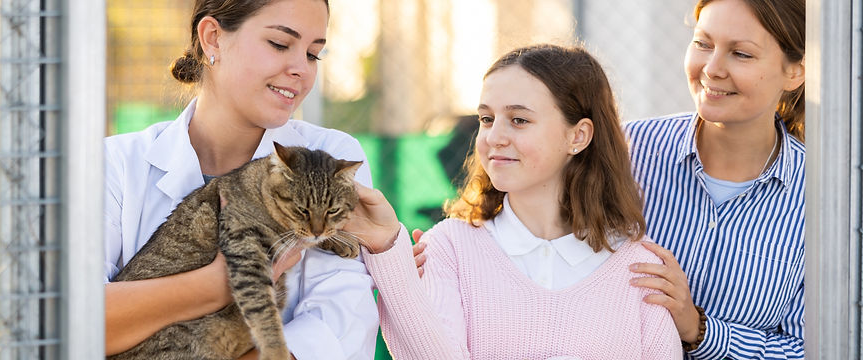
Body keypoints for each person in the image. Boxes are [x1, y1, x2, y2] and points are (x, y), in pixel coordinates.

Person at [346, 44, 683, 359]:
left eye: (519, 120)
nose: (494, 137)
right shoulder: (449, 248)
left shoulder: (641, 268)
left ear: (577, 136)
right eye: (486, 119)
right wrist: (389, 258)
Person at [102, 0, 379, 358]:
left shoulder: (329, 156)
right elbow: (71, 324)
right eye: (280, 44)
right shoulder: (115, 163)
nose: (301, 70)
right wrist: (216, 285)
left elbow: (339, 325)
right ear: (213, 38)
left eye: (313, 54)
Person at [623, 0, 806, 358]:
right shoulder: (628, 151)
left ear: (795, 71)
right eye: (703, 44)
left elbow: (809, 349)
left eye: (741, 53)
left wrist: (699, 329)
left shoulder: (820, 198)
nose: (712, 68)